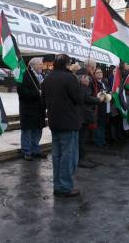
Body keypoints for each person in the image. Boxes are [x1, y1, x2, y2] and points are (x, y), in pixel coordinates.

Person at [43, 54, 85, 197]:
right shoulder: (69, 78)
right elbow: (79, 98)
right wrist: (81, 84)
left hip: (55, 121)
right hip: (69, 122)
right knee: (68, 155)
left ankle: (58, 184)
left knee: (57, 154)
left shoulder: (48, 78)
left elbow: (44, 99)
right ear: (67, 64)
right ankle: (65, 186)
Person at [17, 57, 47, 161]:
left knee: (37, 130)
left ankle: (35, 150)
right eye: (40, 64)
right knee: (27, 131)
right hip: (28, 109)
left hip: (39, 109)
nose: (42, 66)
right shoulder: (25, 75)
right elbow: (21, 91)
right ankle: (26, 151)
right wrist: (36, 93)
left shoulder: (41, 76)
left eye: (41, 64)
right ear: (33, 65)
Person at [94, 68, 110, 146]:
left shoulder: (104, 82)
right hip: (98, 107)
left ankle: (103, 140)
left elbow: (108, 90)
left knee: (103, 124)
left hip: (105, 106)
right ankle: (98, 141)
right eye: (98, 72)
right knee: (98, 125)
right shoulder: (95, 83)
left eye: (101, 72)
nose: (100, 73)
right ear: (95, 74)